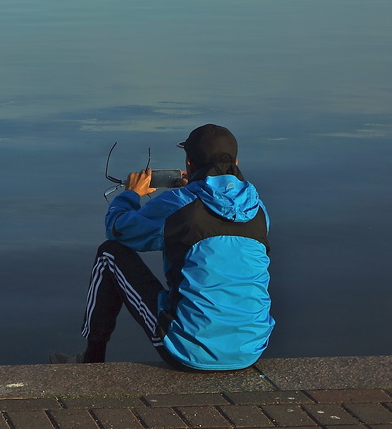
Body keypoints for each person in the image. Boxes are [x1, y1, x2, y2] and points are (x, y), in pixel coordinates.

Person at [60, 124, 272, 370]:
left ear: (189, 163)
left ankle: (90, 361)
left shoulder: (177, 205)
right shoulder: (257, 209)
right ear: (236, 161)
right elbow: (213, 225)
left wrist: (131, 194)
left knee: (110, 253)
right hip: (251, 349)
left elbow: (118, 229)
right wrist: (194, 190)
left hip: (190, 351)